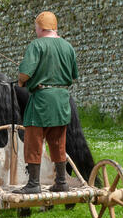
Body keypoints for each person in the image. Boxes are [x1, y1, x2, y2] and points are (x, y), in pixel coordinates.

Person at [13, 11, 79, 194]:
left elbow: (25, 73)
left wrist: (21, 80)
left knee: (33, 140)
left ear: (41, 28)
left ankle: (33, 184)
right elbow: (73, 75)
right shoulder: (68, 46)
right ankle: (61, 181)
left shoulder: (37, 45)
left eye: (36, 28)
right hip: (62, 100)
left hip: (42, 100)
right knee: (58, 142)